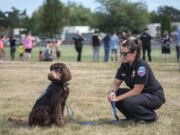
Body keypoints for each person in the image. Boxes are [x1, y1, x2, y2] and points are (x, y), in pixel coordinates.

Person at [107, 38, 165, 123]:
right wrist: (111, 92)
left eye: (125, 53)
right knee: (116, 93)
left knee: (129, 102)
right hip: (141, 95)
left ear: (134, 53)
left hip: (154, 96)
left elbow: (136, 91)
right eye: (121, 53)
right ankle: (133, 117)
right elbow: (116, 83)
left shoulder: (141, 67)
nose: (122, 56)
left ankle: (150, 117)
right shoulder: (124, 65)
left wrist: (117, 98)